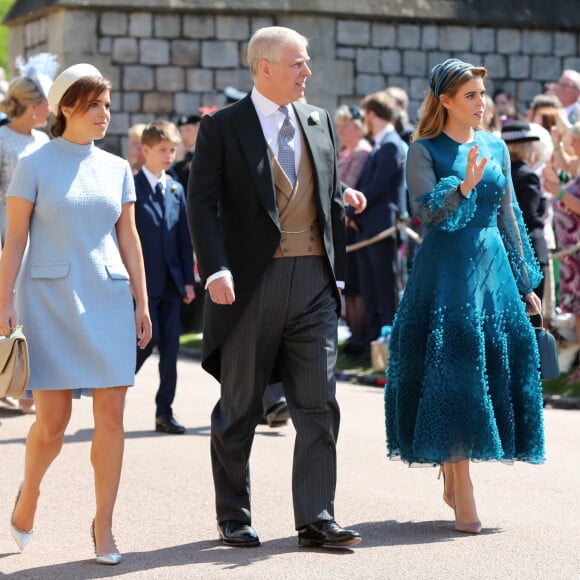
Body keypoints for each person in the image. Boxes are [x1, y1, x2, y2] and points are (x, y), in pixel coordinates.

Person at [188, 26, 361, 549]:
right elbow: (202, 203)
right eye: (298, 64)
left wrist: (338, 269)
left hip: (313, 281)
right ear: (265, 67)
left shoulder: (319, 119)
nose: (307, 73)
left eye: (306, 64)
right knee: (239, 406)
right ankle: (234, 516)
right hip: (247, 285)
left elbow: (326, 195)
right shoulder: (223, 127)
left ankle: (316, 517)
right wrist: (215, 270)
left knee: (318, 402)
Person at [385, 58, 545, 535]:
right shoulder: (423, 150)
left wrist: (525, 283)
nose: (481, 104)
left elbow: (510, 217)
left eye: (483, 94)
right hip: (445, 274)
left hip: (493, 273)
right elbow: (429, 216)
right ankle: (463, 485)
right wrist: (466, 184)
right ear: (446, 101)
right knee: (453, 374)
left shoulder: (496, 144)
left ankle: (455, 468)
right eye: (471, 95)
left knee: (486, 372)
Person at [0, 63, 152, 564]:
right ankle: (30, 492)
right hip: (48, 301)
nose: (105, 113)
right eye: (95, 105)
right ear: (66, 108)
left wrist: (142, 302)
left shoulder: (116, 168)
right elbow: (15, 239)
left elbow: (129, 239)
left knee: (112, 412)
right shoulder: (35, 164)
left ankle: (104, 525)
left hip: (107, 297)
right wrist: (3, 302)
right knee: (54, 422)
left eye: (107, 104)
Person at [0, 53, 58, 414]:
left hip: (38, 232)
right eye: (47, 106)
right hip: (6, 227)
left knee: (31, 307)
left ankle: (24, 384)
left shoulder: (42, 142)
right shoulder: (1, 139)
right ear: (35, 106)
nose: (50, 113)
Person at [134, 120, 195, 434]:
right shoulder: (131, 187)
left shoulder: (175, 188)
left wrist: (188, 280)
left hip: (171, 284)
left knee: (170, 351)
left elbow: (184, 238)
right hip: (143, 285)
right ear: (145, 150)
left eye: (173, 149)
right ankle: (113, 392)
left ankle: (164, 411)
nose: (170, 155)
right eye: (163, 150)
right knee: (144, 343)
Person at [349, 91, 407, 349]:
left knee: (385, 292)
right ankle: (372, 343)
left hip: (383, 228)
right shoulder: (381, 145)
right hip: (368, 228)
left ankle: (387, 346)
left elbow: (377, 187)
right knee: (370, 290)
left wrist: (352, 211)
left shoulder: (392, 144)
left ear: (372, 114)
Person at [335, 104, 371, 357]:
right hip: (343, 225)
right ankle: (353, 335)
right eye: (338, 127)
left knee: (357, 284)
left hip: (354, 224)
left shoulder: (361, 152)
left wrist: (346, 215)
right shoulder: (344, 152)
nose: (340, 131)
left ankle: (360, 338)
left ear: (357, 127)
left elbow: (353, 184)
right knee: (348, 285)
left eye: (345, 126)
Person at [502, 120, 547, 300]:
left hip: (504, 247)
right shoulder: (527, 175)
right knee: (533, 313)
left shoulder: (500, 172)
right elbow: (530, 215)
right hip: (529, 249)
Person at [171, 114, 201, 190]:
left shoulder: (205, 152)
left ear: (198, 130)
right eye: (181, 131)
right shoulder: (178, 152)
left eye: (188, 130)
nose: (183, 135)